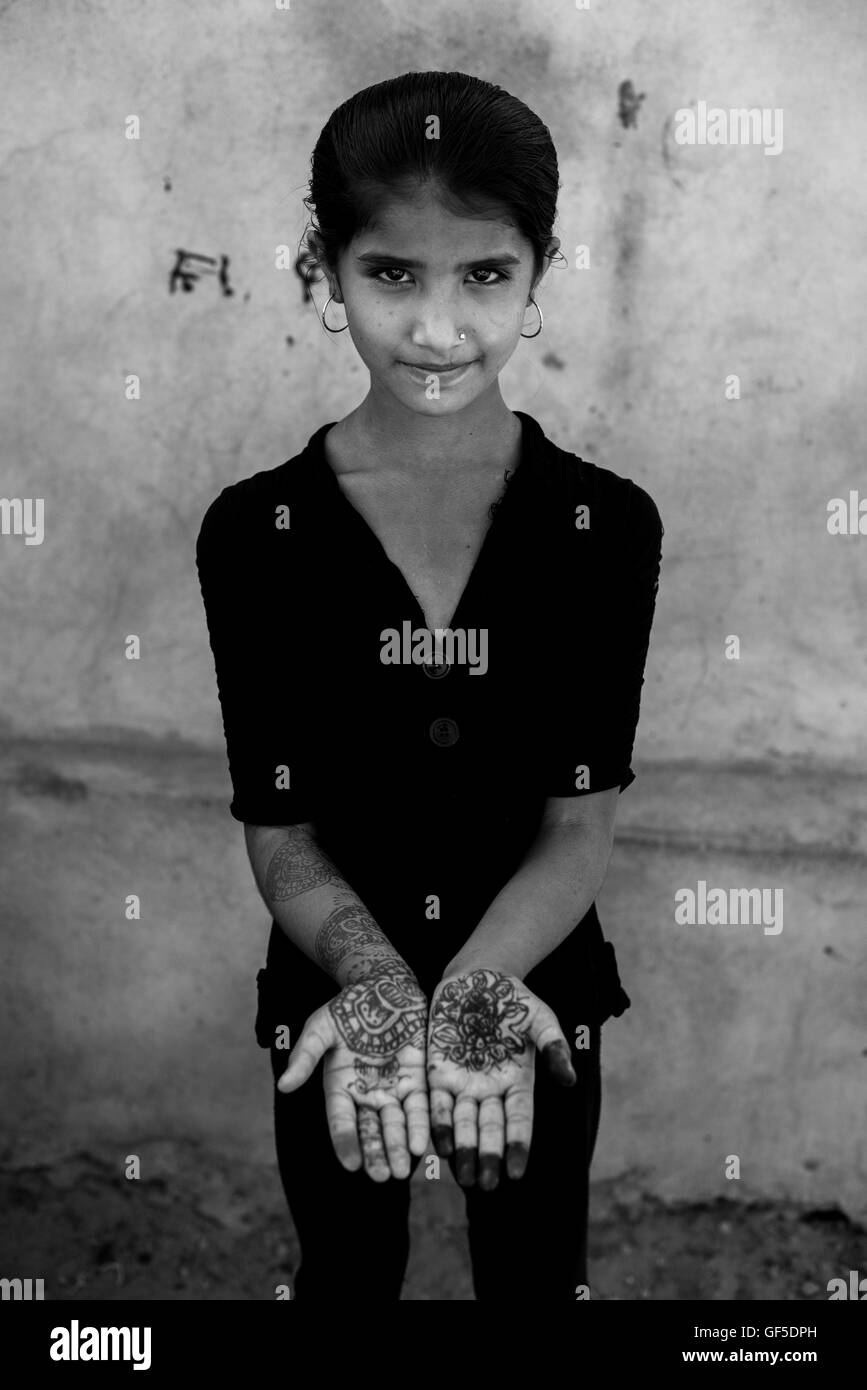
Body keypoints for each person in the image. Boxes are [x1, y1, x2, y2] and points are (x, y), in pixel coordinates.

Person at [195, 70, 664, 1301]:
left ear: (538, 271)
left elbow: (578, 826)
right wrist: (378, 988)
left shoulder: (603, 529)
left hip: (538, 987)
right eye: (392, 274)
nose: (439, 330)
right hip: (330, 1001)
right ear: (325, 272)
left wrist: (471, 998)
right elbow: (282, 831)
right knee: (345, 1271)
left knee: (533, 1275)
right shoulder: (258, 534)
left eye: (485, 277)